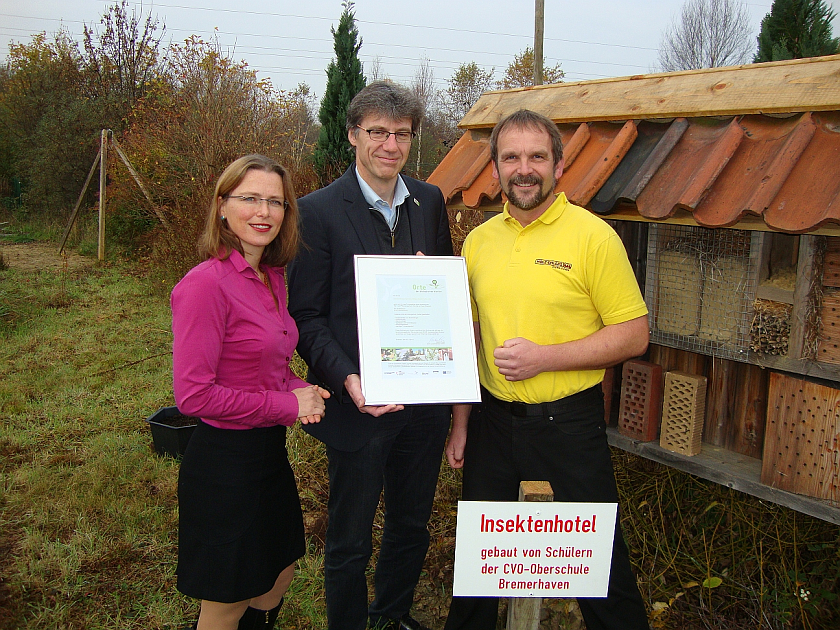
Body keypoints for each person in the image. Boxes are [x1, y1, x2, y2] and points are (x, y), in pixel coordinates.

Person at [444, 110, 651, 630]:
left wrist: (546, 357)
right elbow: (471, 337)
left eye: (537, 156)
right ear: (494, 170)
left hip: (570, 422)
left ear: (559, 165)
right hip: (492, 420)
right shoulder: (478, 242)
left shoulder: (593, 238)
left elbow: (633, 334)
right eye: (511, 157)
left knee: (599, 563)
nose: (524, 168)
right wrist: (461, 422)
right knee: (480, 563)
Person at [287, 81, 454, 630]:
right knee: (350, 536)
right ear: (353, 135)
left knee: (411, 524)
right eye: (378, 131)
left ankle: (392, 614)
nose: (390, 144)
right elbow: (306, 318)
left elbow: (446, 295)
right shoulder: (317, 211)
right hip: (358, 405)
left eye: (401, 133)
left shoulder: (428, 202)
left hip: (424, 403)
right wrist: (349, 378)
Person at [171, 154, 330, 630]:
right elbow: (194, 397)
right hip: (223, 463)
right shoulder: (204, 286)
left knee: (278, 571)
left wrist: (304, 389)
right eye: (249, 199)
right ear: (222, 206)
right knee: (228, 597)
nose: (263, 212)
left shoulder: (271, 278)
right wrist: (287, 404)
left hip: (266, 455)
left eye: (274, 202)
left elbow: (269, 365)